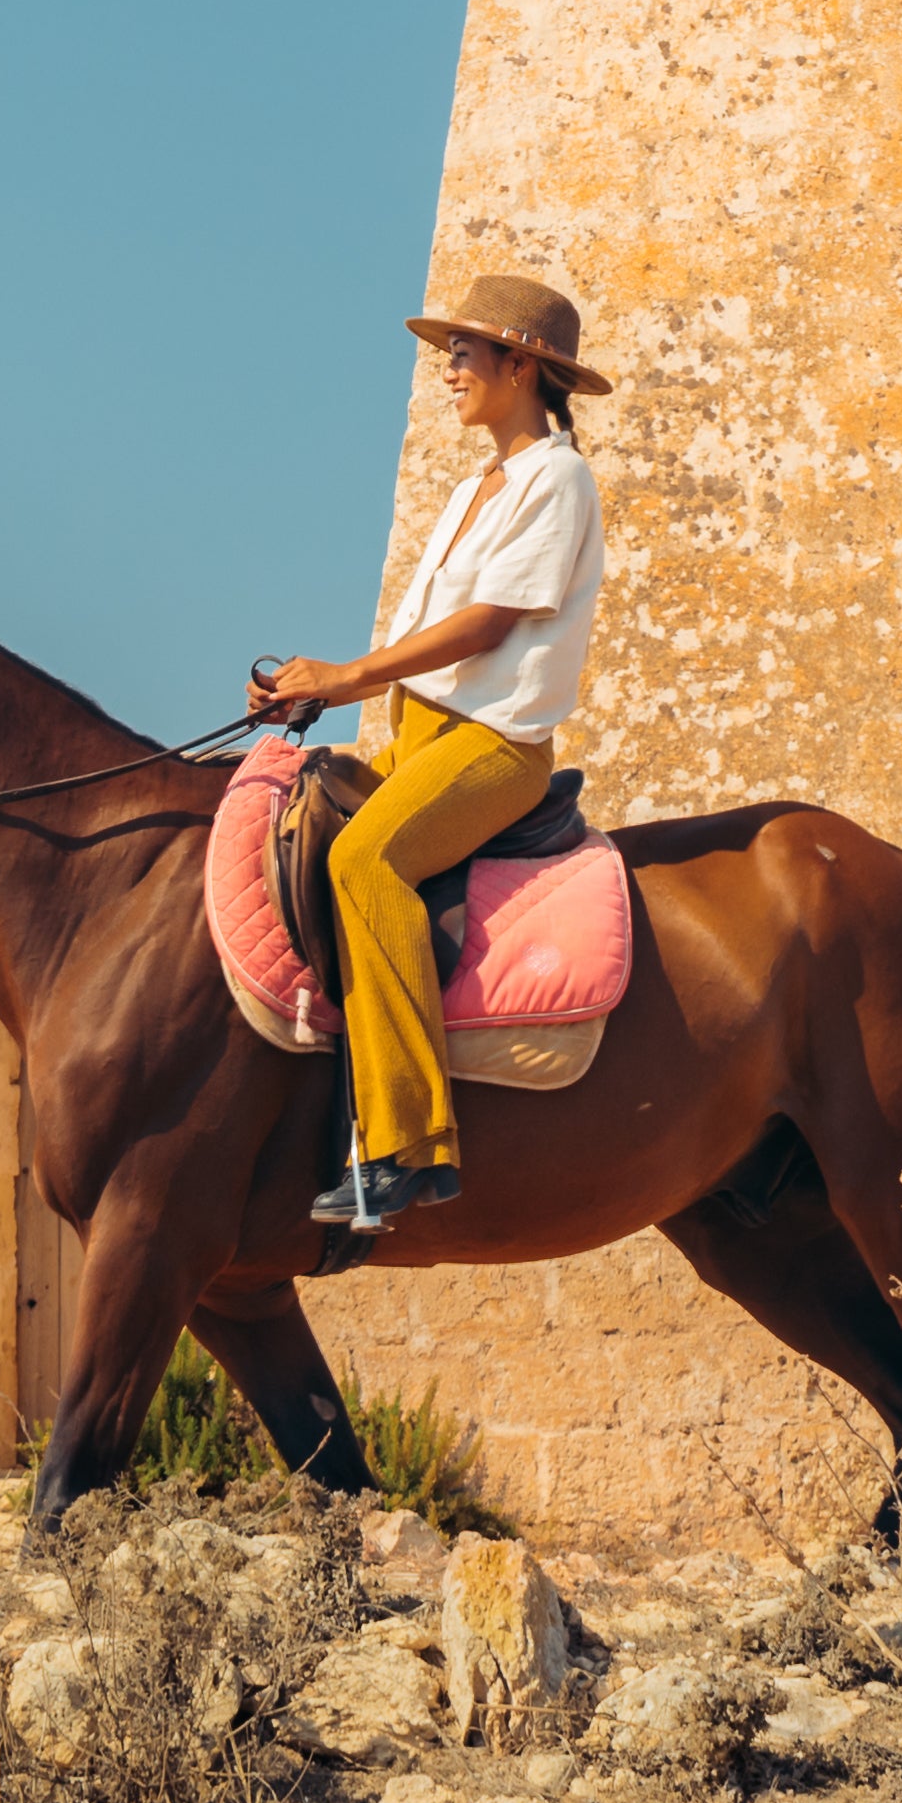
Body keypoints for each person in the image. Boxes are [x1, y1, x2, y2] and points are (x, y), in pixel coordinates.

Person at [247, 271, 614, 1238]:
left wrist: (346, 673)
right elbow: (425, 636)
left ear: (522, 366)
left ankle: (408, 1146)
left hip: (492, 745)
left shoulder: (556, 478)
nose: (446, 370)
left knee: (362, 859)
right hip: (420, 732)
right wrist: (310, 688)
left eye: (463, 353)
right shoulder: (471, 491)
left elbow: (487, 625)